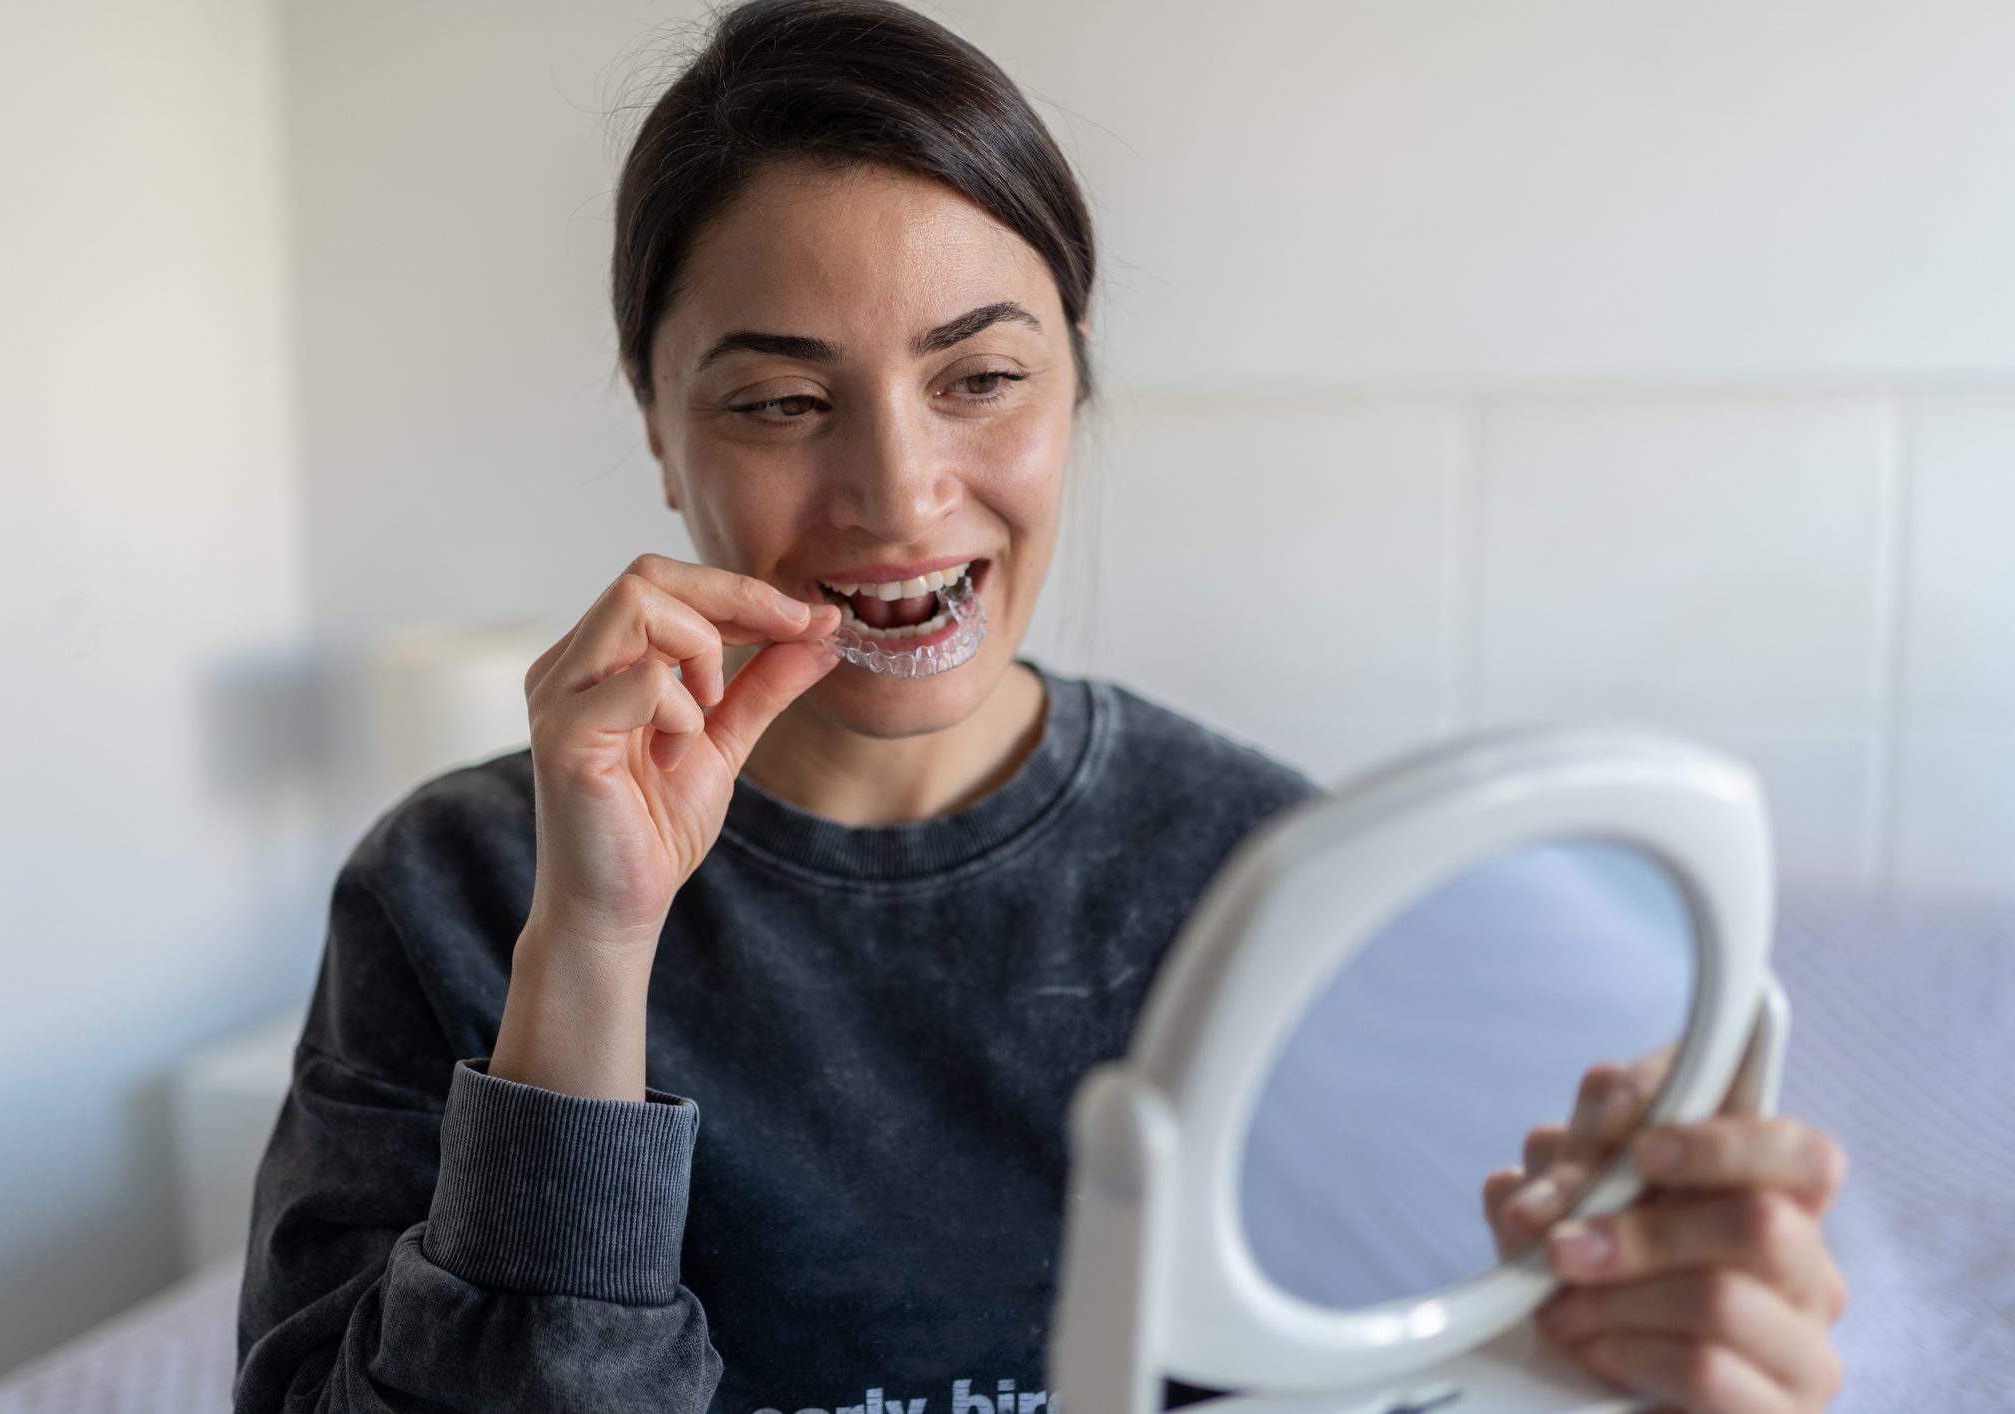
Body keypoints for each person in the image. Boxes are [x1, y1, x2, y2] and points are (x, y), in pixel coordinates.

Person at [233, 2, 1849, 1411]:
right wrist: (586, 954)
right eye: (782, 400)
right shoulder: (452, 892)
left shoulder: (1276, 881)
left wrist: (1599, 1341)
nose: (897, 487)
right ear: (659, 430)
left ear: (1076, 385)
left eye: (981, 377)